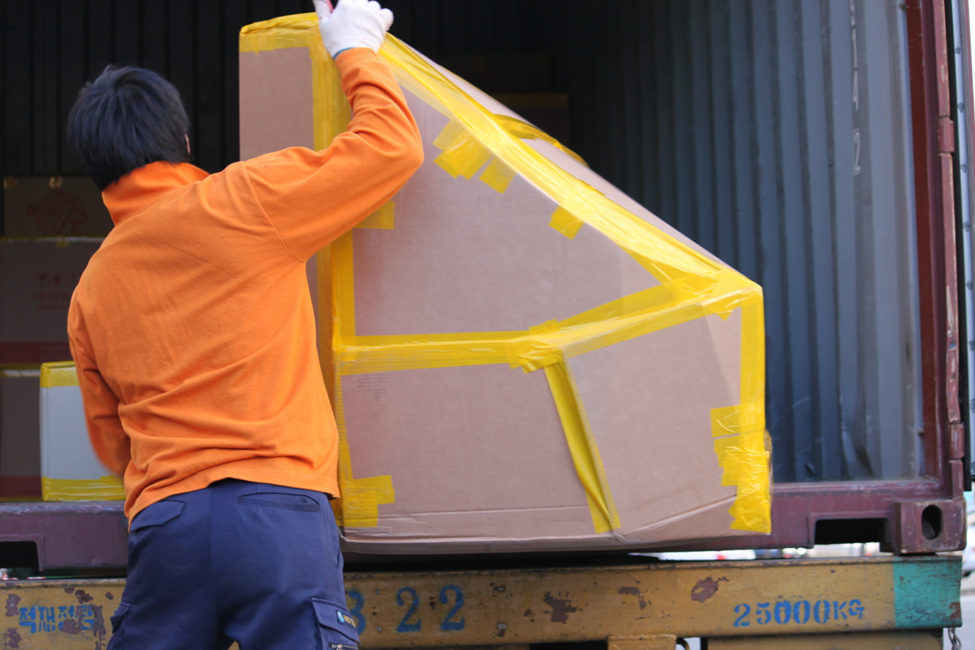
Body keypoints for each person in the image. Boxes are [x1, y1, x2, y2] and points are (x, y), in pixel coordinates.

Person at [65, 1, 422, 648]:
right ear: (183, 143)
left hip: (166, 528)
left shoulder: (90, 290)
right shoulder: (243, 202)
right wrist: (355, 48)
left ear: (95, 172)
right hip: (277, 516)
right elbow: (390, 147)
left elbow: (112, 444)